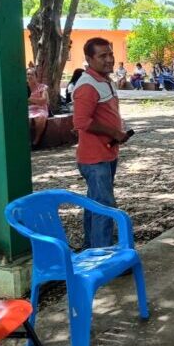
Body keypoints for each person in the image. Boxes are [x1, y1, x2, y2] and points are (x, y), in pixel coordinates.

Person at [73, 37, 129, 248]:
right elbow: (81, 122)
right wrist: (113, 132)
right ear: (89, 59)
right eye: (102, 56)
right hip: (94, 158)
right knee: (104, 207)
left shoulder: (105, 81)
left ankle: (92, 248)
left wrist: (117, 132)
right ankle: (102, 255)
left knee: (95, 204)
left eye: (110, 54)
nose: (109, 59)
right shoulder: (87, 85)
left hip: (107, 153)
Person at [27, 68, 49, 147]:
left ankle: (36, 141)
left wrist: (29, 99)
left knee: (41, 117)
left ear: (36, 76)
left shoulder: (42, 87)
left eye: (31, 74)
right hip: (28, 110)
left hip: (41, 109)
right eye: (27, 74)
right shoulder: (24, 87)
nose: (29, 76)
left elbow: (44, 101)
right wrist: (36, 101)